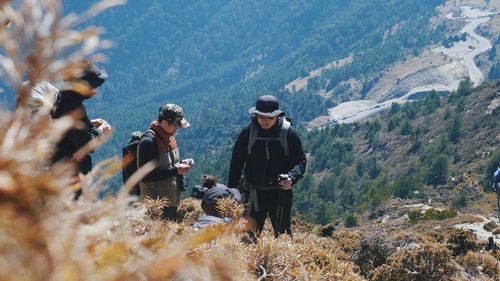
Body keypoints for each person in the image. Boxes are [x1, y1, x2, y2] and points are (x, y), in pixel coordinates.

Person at [228, 95, 306, 239]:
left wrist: (292, 178)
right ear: (255, 114)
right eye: (261, 116)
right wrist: (232, 192)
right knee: (248, 236)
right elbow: (236, 162)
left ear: (277, 115)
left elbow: (300, 161)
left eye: (269, 117)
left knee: (283, 236)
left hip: (280, 193)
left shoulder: (289, 133)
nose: (264, 121)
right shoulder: (248, 133)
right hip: (253, 192)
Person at [51, 61, 111, 194]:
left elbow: (71, 133)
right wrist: (102, 130)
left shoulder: (62, 98)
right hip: (70, 177)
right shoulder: (73, 105)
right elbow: (85, 144)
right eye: (92, 87)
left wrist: (88, 124)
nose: (95, 92)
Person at [137, 104, 194, 221]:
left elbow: (167, 164)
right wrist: (176, 170)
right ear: (164, 122)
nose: (177, 128)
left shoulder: (169, 137)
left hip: (171, 201)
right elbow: (145, 177)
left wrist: (181, 164)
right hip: (156, 206)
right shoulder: (148, 142)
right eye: (175, 125)